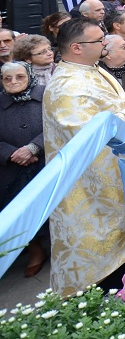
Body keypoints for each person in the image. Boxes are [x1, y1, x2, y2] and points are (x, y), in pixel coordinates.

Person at [42, 17, 125, 295]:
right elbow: (87, 133)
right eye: (98, 40)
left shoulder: (91, 69)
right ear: (77, 48)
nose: (105, 43)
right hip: (88, 190)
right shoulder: (66, 87)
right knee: (102, 276)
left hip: (112, 180)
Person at [0, 61, 48, 277]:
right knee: (21, 212)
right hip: (12, 168)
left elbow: (58, 124)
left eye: (20, 76)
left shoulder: (46, 94)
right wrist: (11, 153)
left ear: (29, 76)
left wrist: (34, 147)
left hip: (48, 161)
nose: (13, 82)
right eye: (7, 78)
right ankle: (35, 250)